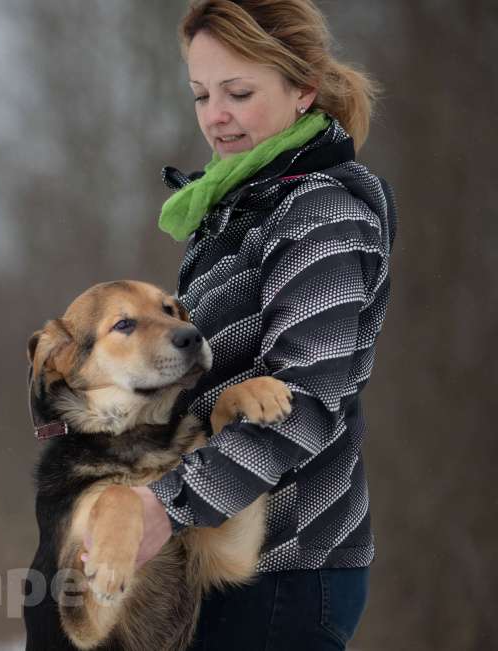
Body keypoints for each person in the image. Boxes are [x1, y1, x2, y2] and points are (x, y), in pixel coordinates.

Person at [106, 1, 395, 649]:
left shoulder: (320, 213)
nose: (216, 115)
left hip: (286, 564)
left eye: (239, 92)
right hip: (228, 555)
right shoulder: (240, 208)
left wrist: (170, 503)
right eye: (201, 93)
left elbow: (306, 401)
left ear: (304, 90)